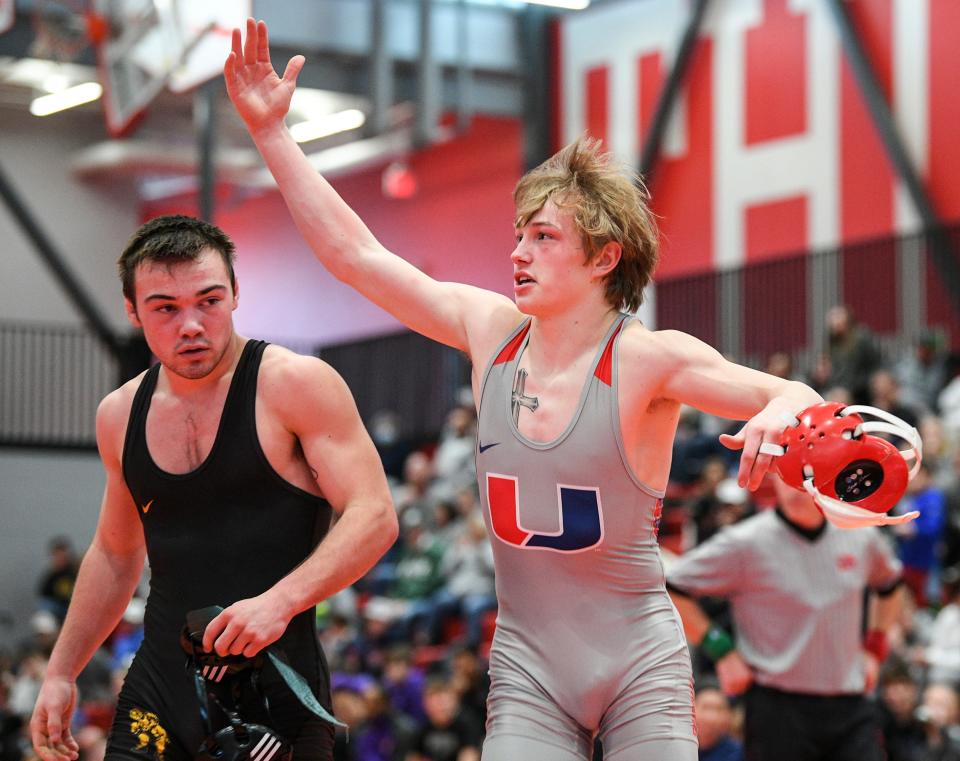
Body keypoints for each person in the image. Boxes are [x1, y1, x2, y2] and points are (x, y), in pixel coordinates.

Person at [224, 19, 832, 760]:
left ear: (606, 256)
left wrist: (779, 409)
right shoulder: (490, 329)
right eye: (518, 234)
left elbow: (798, 394)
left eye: (544, 237)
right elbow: (355, 257)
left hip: (640, 660)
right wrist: (274, 137)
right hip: (529, 664)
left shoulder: (646, 359)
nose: (517, 251)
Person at [29, 215, 398, 761]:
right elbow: (114, 552)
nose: (192, 325)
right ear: (132, 311)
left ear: (235, 293)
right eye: (166, 308)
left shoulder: (294, 384)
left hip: (274, 690)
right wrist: (61, 671)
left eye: (209, 300)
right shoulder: (120, 414)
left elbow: (373, 515)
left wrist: (280, 602)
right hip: (159, 688)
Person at [667, 475, 904, 761]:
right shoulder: (745, 542)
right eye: (787, 476)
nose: (796, 487)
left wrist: (875, 647)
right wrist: (722, 651)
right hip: (777, 707)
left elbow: (890, 584)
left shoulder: (860, 535)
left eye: (805, 477)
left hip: (850, 703)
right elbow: (673, 586)